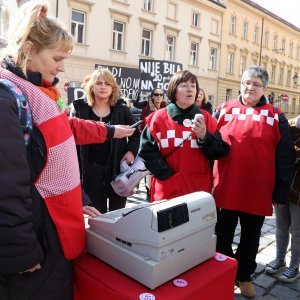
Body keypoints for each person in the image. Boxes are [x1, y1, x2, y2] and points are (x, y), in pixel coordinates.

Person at [0, 1, 134, 299]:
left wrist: (79, 197)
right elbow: (7, 187)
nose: (62, 66)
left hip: (55, 225)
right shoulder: (7, 95)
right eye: (58, 58)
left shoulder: (38, 89)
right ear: (30, 50)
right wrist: (21, 254)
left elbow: (62, 140)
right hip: (38, 237)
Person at [213, 66, 295, 298]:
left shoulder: (275, 115)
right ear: (240, 83)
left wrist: (280, 193)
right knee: (222, 234)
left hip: (258, 189)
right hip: (226, 186)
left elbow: (285, 156)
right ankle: (224, 273)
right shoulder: (223, 110)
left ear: (264, 88)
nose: (250, 87)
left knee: (251, 236)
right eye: (247, 82)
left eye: (256, 84)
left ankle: (245, 275)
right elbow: (210, 146)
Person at [138, 70, 230, 202]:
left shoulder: (208, 119)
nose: (190, 90)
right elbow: (145, 151)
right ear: (174, 90)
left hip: (198, 192)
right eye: (185, 85)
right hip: (167, 191)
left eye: (193, 86)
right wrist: (167, 175)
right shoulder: (158, 118)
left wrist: (205, 137)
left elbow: (220, 152)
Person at [73, 68, 140, 213]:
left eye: (107, 84)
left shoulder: (121, 110)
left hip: (117, 170)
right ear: (91, 86)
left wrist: (131, 151)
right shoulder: (81, 109)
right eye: (99, 83)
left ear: (113, 88)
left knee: (118, 213)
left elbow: (136, 133)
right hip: (91, 170)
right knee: (97, 215)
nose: (103, 87)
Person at [265, 115, 300, 283]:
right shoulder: (288, 124)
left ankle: (294, 265)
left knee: (297, 229)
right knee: (281, 224)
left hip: (299, 190)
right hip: (282, 184)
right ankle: (280, 259)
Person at [139, 88, 166, 199]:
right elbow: (141, 127)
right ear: (152, 96)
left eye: (161, 94)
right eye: (156, 94)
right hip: (151, 144)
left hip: (163, 144)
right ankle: (149, 193)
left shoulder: (167, 109)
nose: (159, 96)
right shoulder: (146, 110)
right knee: (150, 171)